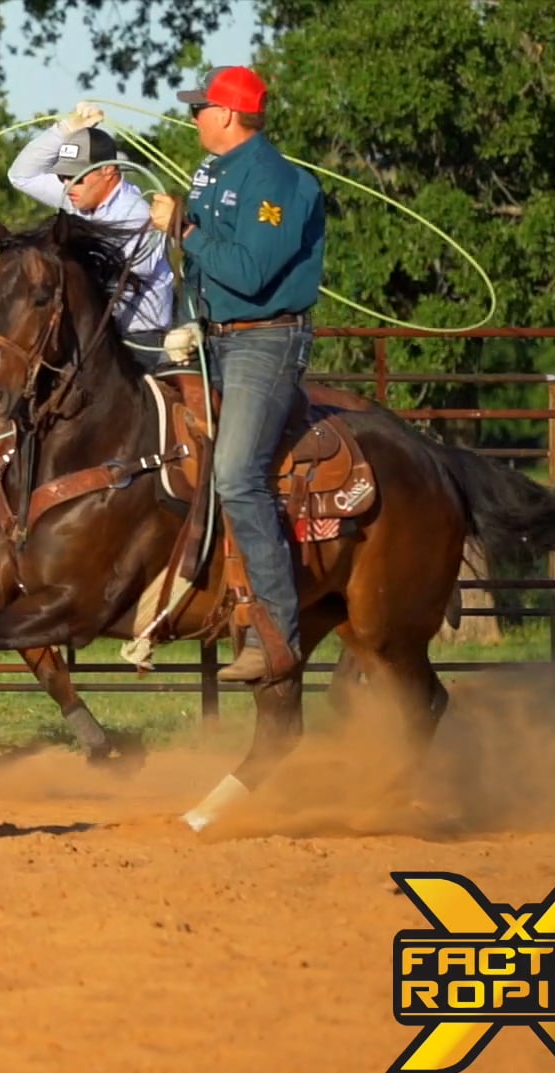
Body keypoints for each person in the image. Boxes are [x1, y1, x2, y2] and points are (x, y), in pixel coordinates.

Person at [148, 64, 327, 683]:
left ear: (226, 114)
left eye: (200, 107)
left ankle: (276, 632)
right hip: (213, 337)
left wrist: (183, 229)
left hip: (265, 342)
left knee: (237, 473)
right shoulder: (213, 171)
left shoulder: (280, 183)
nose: (193, 116)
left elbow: (251, 272)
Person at [6, 102, 175, 367]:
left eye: (77, 176)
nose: (68, 184)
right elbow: (21, 175)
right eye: (62, 176)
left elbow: (117, 288)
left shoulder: (135, 215)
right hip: (95, 336)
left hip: (140, 343)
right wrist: (64, 130)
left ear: (108, 170)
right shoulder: (79, 195)